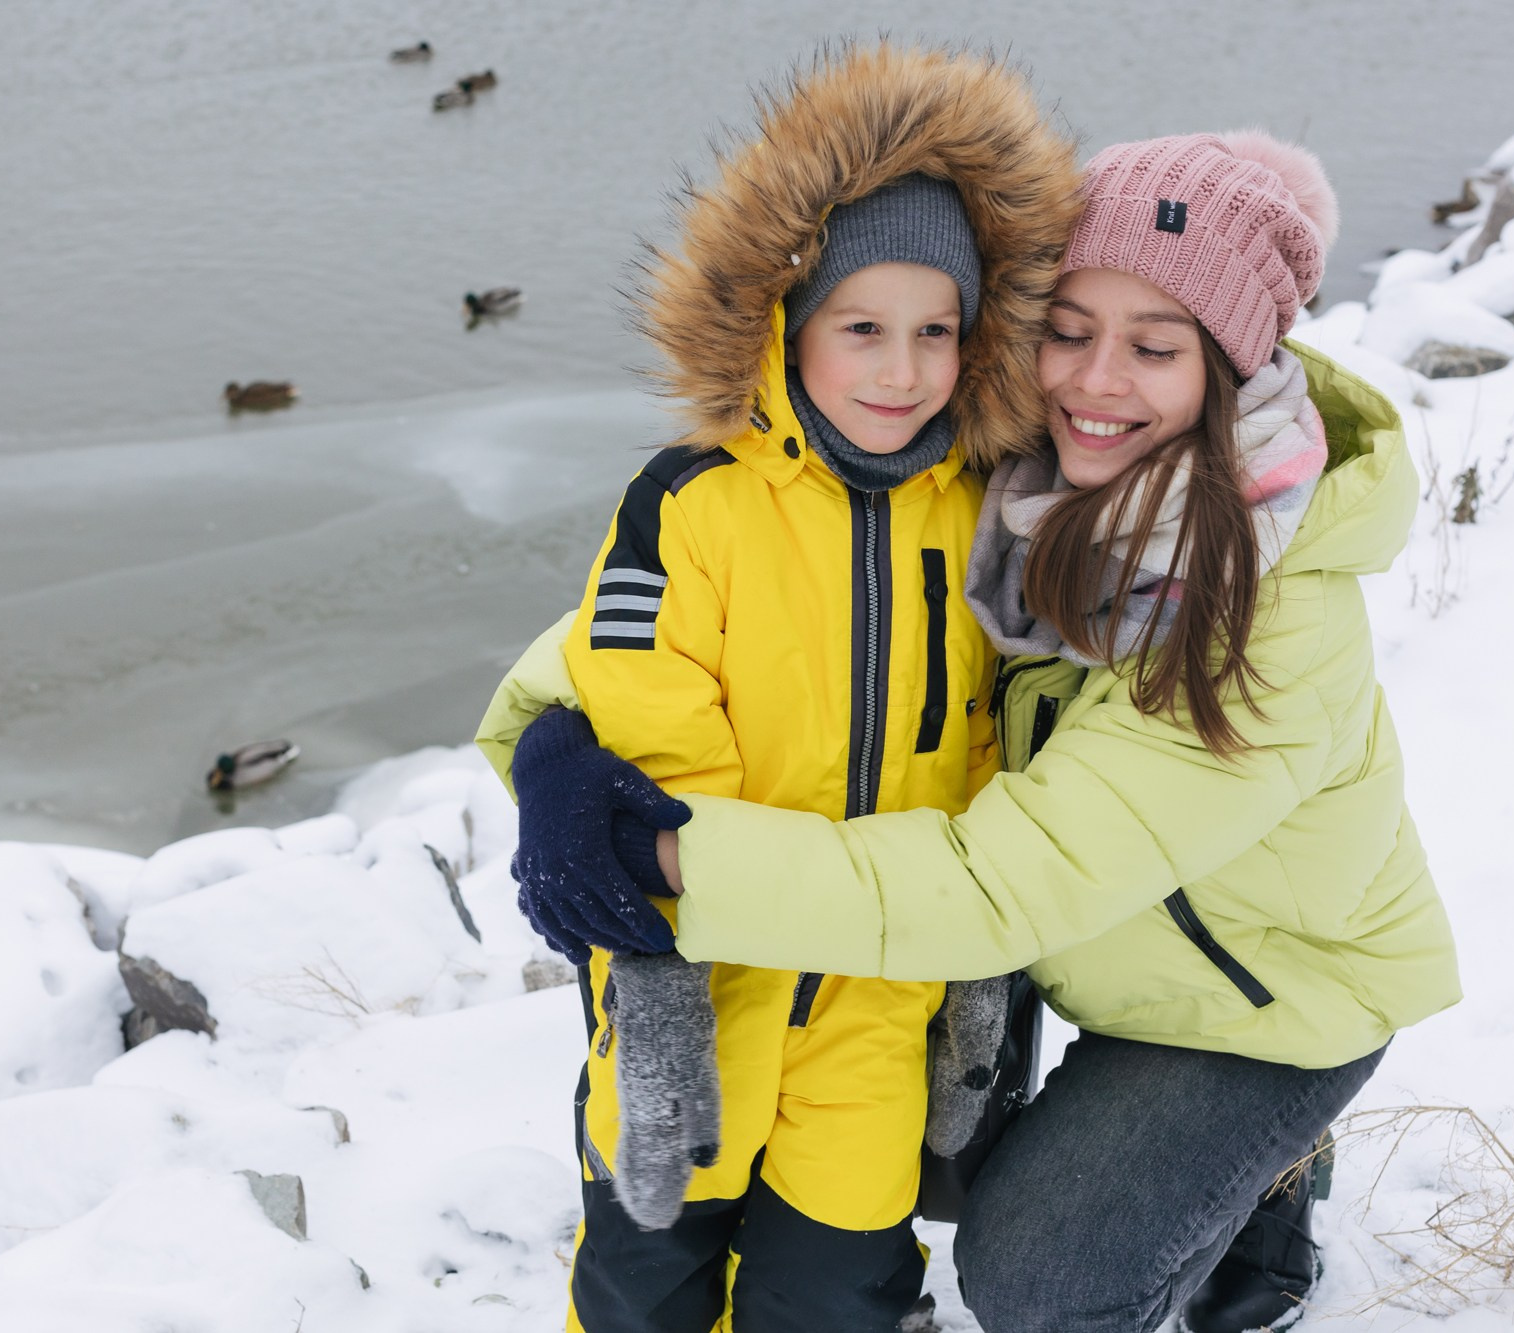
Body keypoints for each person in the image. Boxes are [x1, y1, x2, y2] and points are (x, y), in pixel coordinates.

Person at [483, 130, 1463, 1333]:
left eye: (1154, 347)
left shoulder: (1271, 619)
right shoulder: (1016, 481)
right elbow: (735, 604)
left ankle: (1267, 1167)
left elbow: (996, 888)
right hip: (1097, 940)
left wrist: (661, 855)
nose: (1096, 382)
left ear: (1231, 368)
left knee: (1039, 1282)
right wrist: (551, 740)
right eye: (1067, 329)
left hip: (1261, 998)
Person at [477, 44, 1080, 1333]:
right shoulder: (692, 499)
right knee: (644, 1272)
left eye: (933, 332)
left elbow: (996, 737)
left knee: (839, 1278)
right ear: (783, 322)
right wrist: (656, 961)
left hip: (879, 992)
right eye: (861, 329)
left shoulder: (982, 510)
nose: (899, 370)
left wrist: (977, 971)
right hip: (700, 984)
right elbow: (643, 706)